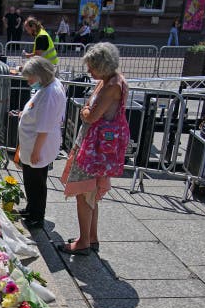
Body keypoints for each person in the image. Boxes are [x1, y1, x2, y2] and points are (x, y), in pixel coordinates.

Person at [59, 42, 129, 254]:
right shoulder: (112, 80)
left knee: (84, 193)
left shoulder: (111, 85)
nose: (88, 70)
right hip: (97, 147)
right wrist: (88, 109)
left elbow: (91, 115)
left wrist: (86, 110)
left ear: (104, 65)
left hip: (93, 150)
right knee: (91, 194)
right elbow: (90, 107)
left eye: (92, 66)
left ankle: (83, 243)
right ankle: (91, 237)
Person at [15, 57, 67, 229]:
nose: (29, 81)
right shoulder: (47, 86)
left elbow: (44, 128)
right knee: (30, 180)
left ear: (40, 75)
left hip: (39, 146)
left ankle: (37, 216)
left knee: (36, 182)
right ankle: (31, 208)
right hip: (33, 144)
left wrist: (36, 151)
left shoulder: (51, 93)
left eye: (30, 77)